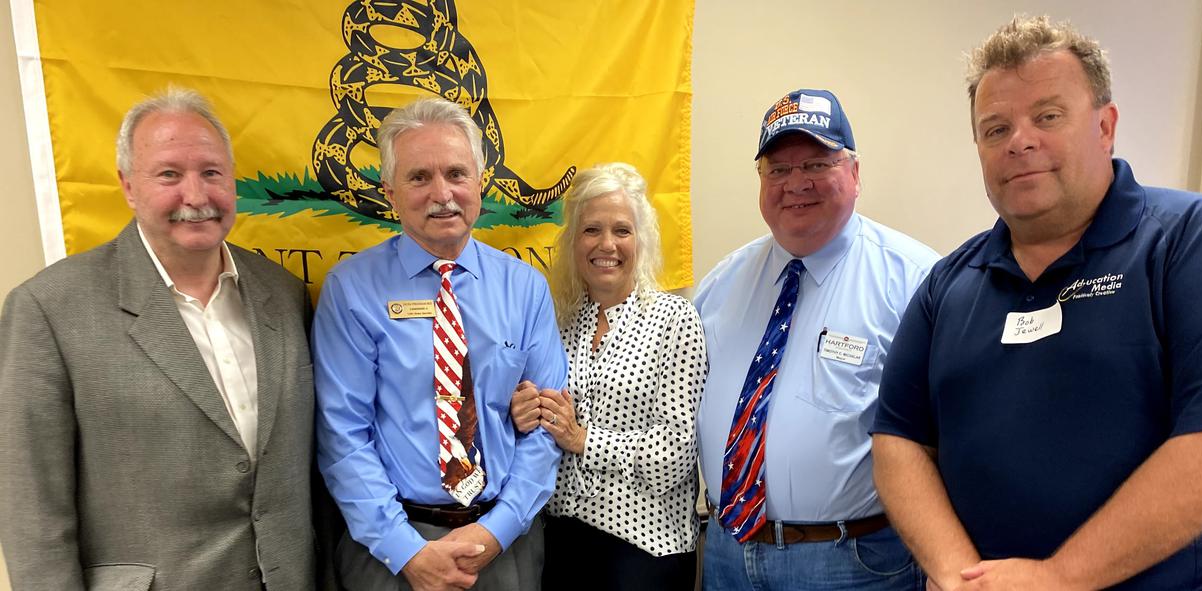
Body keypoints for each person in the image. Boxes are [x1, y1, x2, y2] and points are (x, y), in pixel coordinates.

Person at [871, 15, 1202, 590]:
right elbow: (899, 439)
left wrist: (1061, 577)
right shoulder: (947, 285)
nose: (1020, 140)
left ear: (1106, 126)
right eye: (995, 129)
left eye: (1048, 116)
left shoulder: (1200, 241)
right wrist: (959, 575)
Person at [0, 88, 317, 589]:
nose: (196, 196)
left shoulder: (282, 293)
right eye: (169, 174)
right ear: (128, 186)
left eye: (212, 172)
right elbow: (31, 512)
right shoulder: (48, 309)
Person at [312, 97, 567, 591]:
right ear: (389, 191)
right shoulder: (351, 290)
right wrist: (407, 551)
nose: (442, 193)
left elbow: (547, 427)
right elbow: (343, 436)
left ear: (480, 181)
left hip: (506, 545)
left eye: (456, 173)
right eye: (419, 177)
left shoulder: (525, 288)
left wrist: (497, 530)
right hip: (392, 549)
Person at [695, 88, 938, 590]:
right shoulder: (722, 285)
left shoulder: (917, 282)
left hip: (851, 561)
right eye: (777, 170)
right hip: (727, 554)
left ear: (854, 172)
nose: (796, 184)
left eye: (815, 163)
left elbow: (949, 435)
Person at [508, 163, 706, 589]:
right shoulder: (555, 322)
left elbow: (674, 454)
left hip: (645, 546)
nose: (607, 244)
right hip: (559, 541)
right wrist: (521, 415)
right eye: (591, 230)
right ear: (573, 241)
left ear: (642, 239)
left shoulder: (675, 320)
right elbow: (536, 435)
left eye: (622, 230)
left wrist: (583, 439)